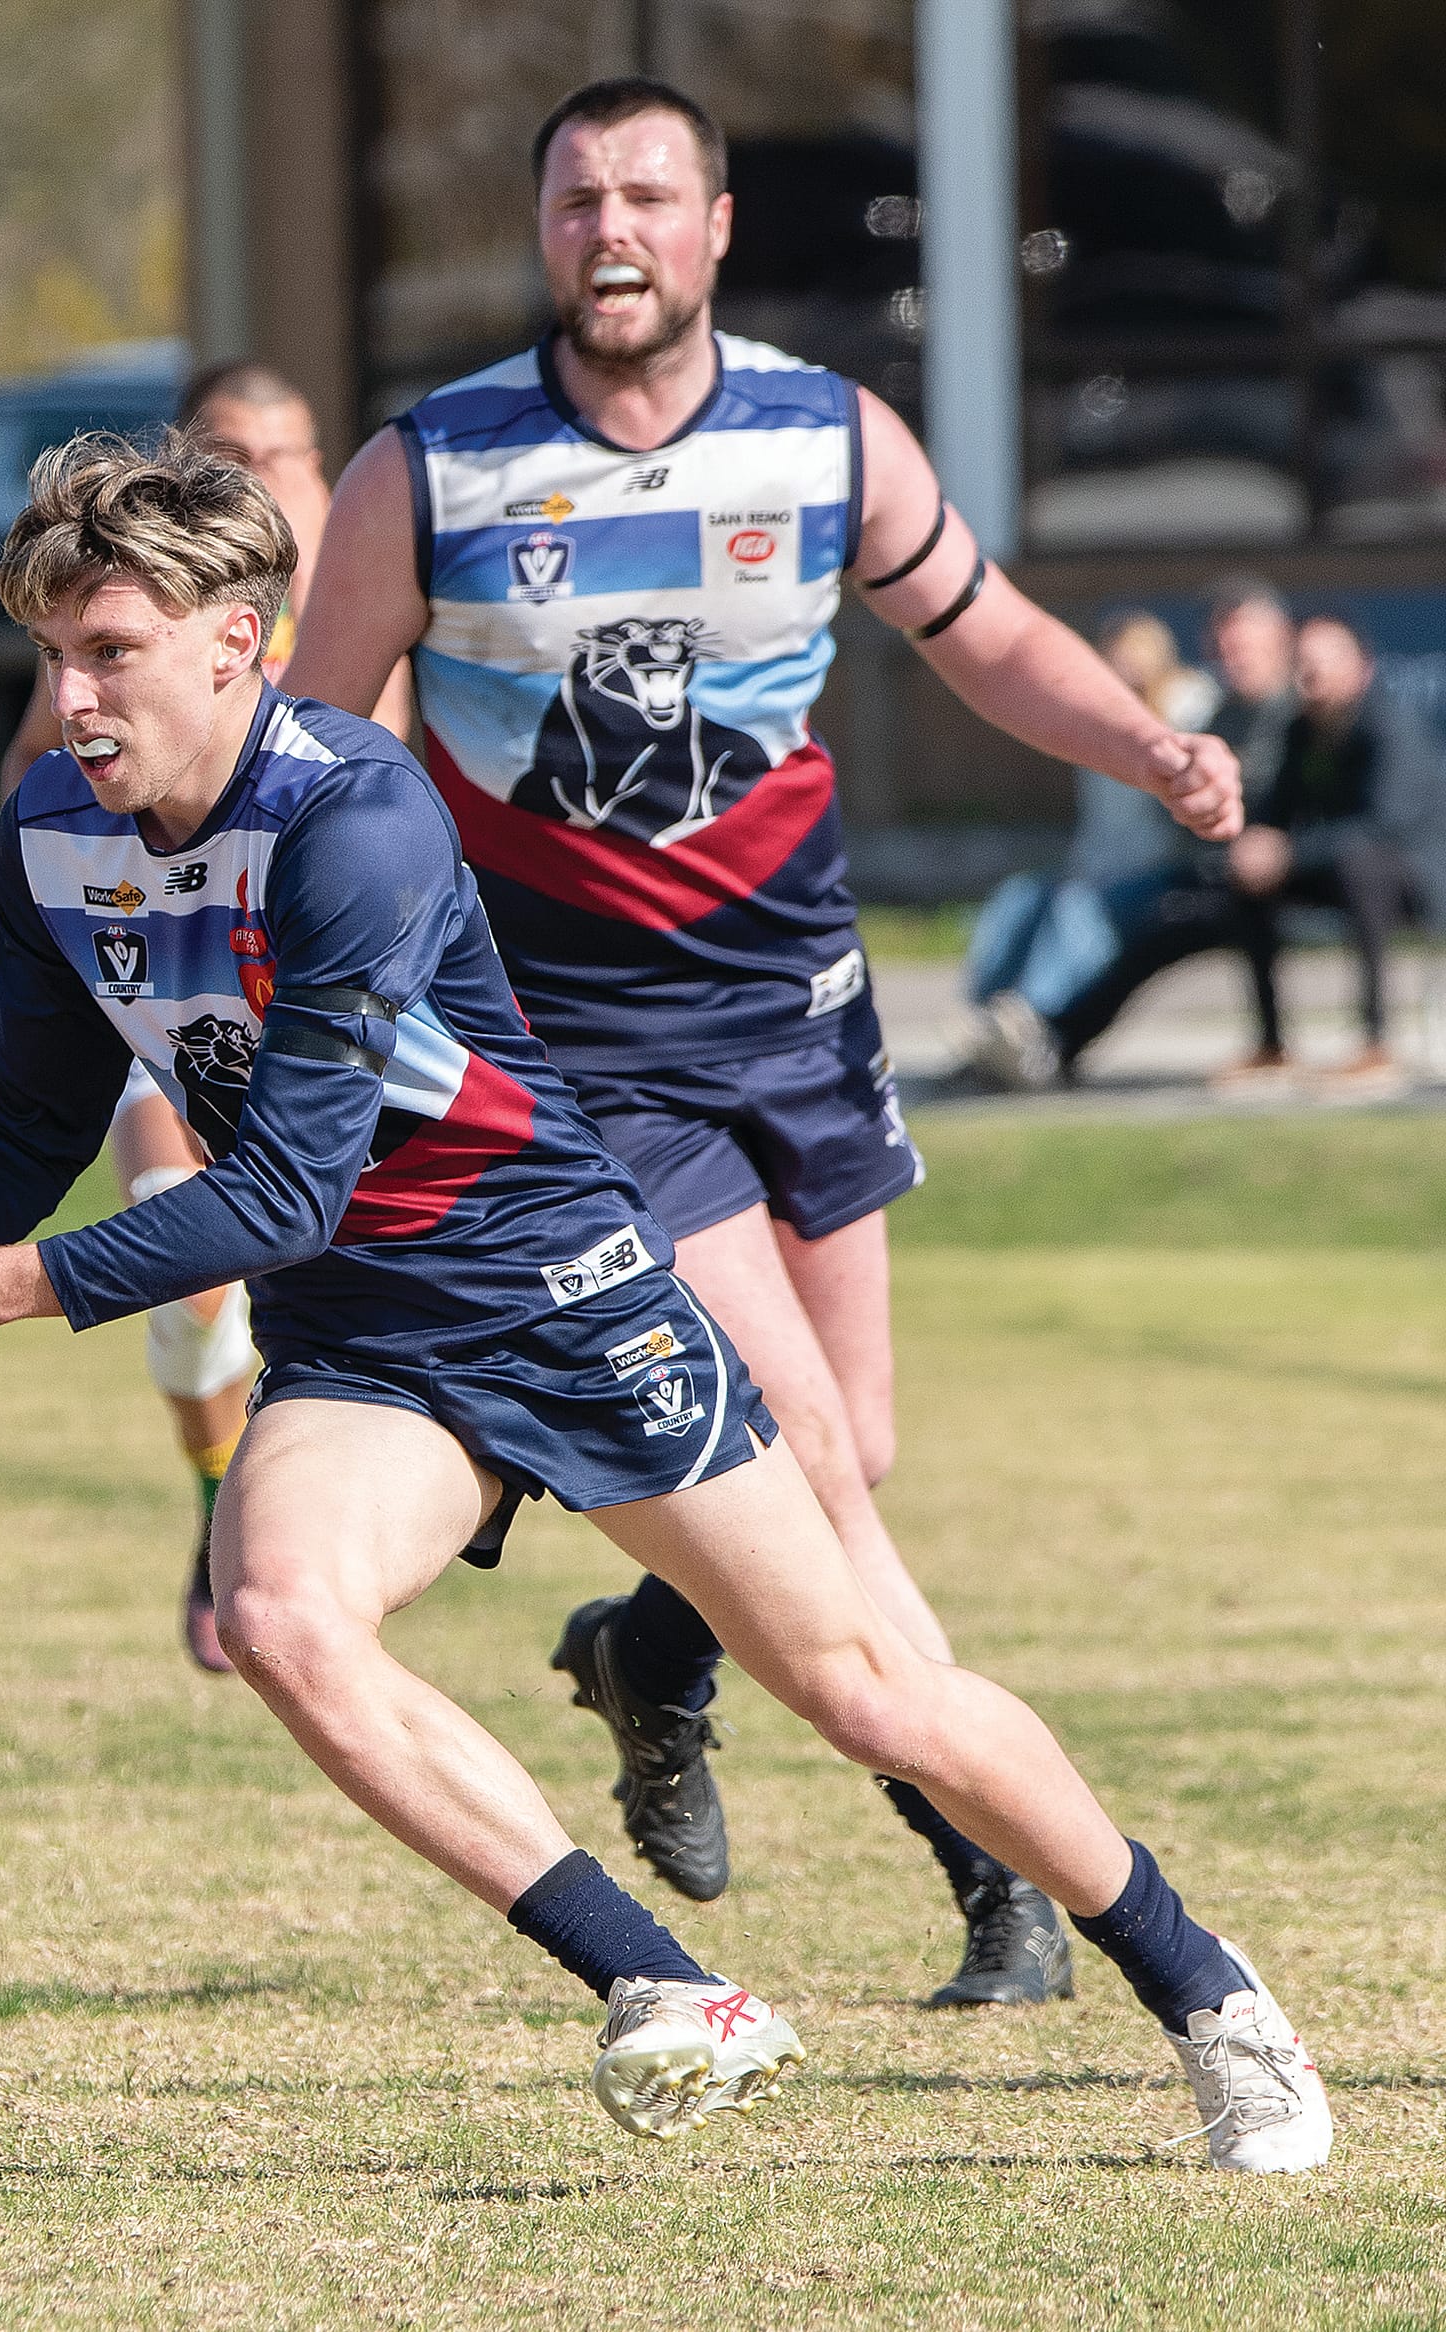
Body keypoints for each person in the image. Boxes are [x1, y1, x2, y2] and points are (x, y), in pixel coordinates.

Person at [0, 430, 1328, 2166]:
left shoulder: (354, 819)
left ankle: (1214, 1997)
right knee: (282, 1613)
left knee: (868, 1687)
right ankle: (666, 1989)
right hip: (362, 1339)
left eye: (105, 652)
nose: (69, 697)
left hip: (554, 1286)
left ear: (232, 642)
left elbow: (283, 1189)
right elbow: (30, 1120)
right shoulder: (51, 829)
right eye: (51, 655)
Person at [282, 77, 1247, 2004]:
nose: (610, 230)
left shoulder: (823, 434)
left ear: (717, 225)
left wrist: (1141, 746)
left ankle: (651, 1655)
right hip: (579, 1049)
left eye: (647, 195)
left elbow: (983, 633)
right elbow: (316, 738)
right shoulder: (437, 467)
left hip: (801, 1010)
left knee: (854, 1444)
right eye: (574, 201)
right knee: (802, 1443)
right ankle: (1003, 1878)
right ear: (540, 232)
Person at [0, 361, 408, 1670]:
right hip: (164, 981)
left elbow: (376, 793)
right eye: (240, 449)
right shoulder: (111, 632)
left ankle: (282, 1497)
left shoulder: (349, 612)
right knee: (177, 1246)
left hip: (306, 995)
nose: (277, 473)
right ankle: (219, 1490)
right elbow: (43, 775)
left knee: (279, 1237)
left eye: (293, 452)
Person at [948, 607, 1231, 1091]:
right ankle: (986, 1020)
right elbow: (1099, 830)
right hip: (1101, 866)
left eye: (1135, 658)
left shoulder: (1185, 711)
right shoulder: (1100, 736)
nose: (1125, 671)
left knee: (1078, 909)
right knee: (1021, 897)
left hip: (1164, 871)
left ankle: (1029, 1020)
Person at [1227, 614, 1442, 1098]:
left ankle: (1376, 1041)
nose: (1313, 674)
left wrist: (1289, 852)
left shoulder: (1390, 727)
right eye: (1304, 663)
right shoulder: (1300, 731)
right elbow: (1277, 810)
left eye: (1325, 662)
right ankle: (1271, 1045)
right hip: (1334, 866)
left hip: (1415, 877)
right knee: (1248, 878)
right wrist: (1256, 843)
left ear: (1362, 668)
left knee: (1361, 865)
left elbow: (1384, 824)